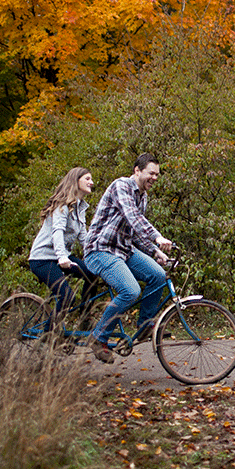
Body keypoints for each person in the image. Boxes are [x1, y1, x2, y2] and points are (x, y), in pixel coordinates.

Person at [83, 153, 173, 363]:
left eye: (157, 175)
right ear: (137, 170)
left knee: (158, 275)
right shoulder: (121, 186)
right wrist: (157, 237)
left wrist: (154, 251)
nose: (155, 178)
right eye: (151, 173)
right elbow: (133, 217)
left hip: (124, 250)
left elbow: (134, 234)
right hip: (100, 250)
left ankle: (145, 326)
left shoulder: (143, 196)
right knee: (131, 290)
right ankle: (98, 337)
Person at [28, 167, 99, 330]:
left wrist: (99, 255)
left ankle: (84, 319)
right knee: (67, 296)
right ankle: (48, 334)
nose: (91, 182)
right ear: (76, 180)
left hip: (61, 256)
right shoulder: (62, 205)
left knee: (92, 273)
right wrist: (62, 257)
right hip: (42, 259)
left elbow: (84, 239)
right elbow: (57, 232)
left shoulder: (80, 208)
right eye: (87, 179)